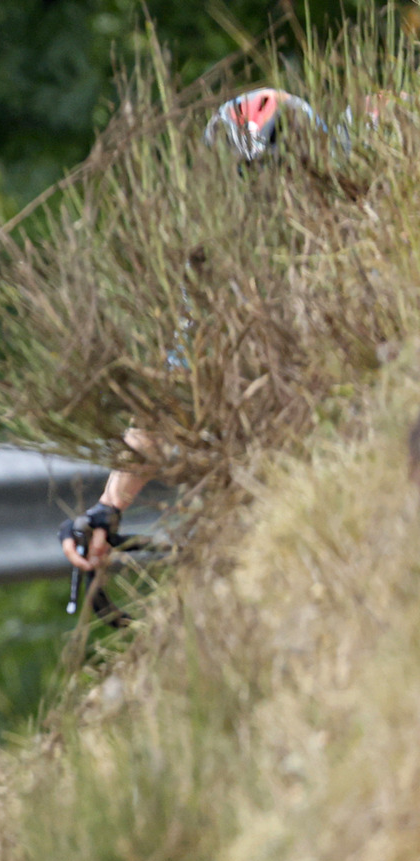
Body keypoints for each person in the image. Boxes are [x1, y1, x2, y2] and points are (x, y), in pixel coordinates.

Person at [64, 88, 324, 572]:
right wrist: (108, 507)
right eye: (241, 186)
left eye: (274, 180)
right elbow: (168, 407)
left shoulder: (371, 225)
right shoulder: (215, 274)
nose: (260, 203)